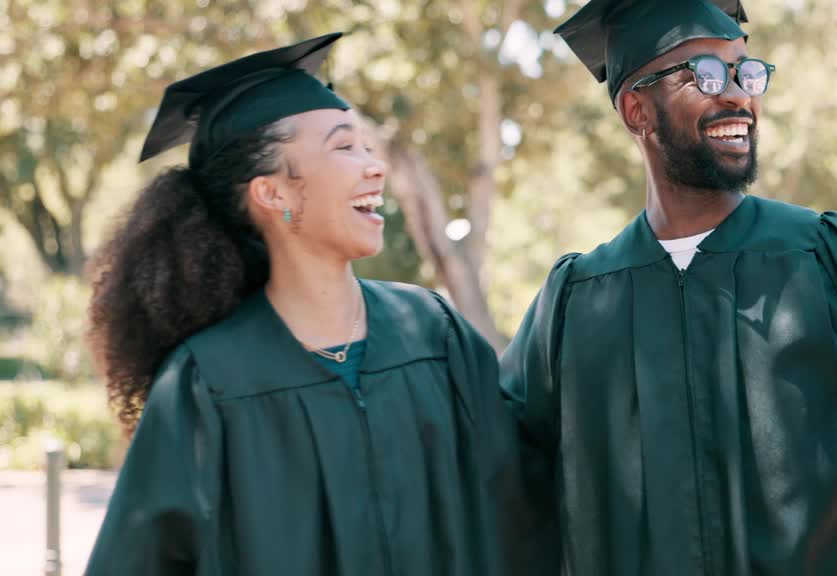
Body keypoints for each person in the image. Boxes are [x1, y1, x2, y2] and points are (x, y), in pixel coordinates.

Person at [500, 0, 837, 575]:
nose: (737, 93)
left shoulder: (832, 260)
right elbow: (496, 483)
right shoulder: (577, 302)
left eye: (746, 72)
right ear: (637, 111)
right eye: (704, 74)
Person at [85, 34, 549, 575]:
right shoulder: (208, 385)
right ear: (273, 193)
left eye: (367, 147)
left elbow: (526, 506)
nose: (373, 166)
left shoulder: (432, 335)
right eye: (344, 147)